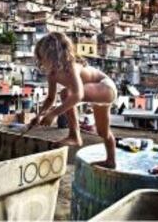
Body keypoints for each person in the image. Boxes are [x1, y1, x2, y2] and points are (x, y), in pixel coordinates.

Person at [31, 32, 117, 168]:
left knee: (67, 93)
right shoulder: (52, 74)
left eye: (43, 57)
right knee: (103, 132)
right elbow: (50, 98)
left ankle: (74, 135)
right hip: (97, 95)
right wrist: (39, 115)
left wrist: (53, 114)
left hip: (106, 87)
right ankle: (111, 161)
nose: (41, 61)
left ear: (54, 55)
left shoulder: (71, 67)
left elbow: (78, 94)